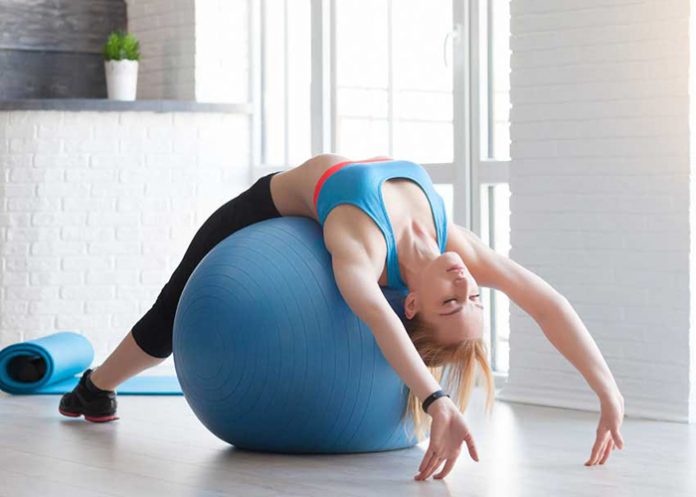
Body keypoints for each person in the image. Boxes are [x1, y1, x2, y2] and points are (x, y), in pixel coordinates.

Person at [58, 153, 625, 480]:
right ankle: (98, 387)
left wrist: (435, 400)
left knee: (171, 316)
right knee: (169, 312)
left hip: (268, 205)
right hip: (278, 207)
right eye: (474, 299)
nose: (465, 286)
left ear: (413, 304)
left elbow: (377, 319)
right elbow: (547, 302)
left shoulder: (362, 248)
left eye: (450, 303)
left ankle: (92, 388)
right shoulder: (457, 244)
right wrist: (608, 394)